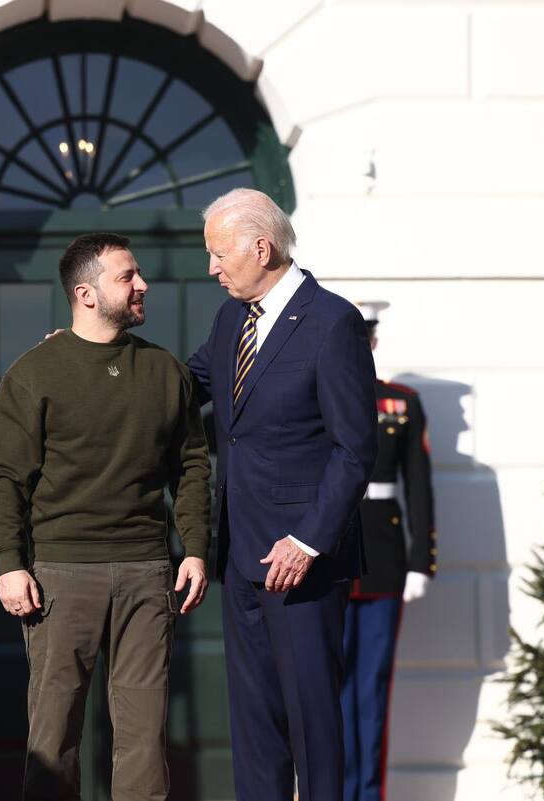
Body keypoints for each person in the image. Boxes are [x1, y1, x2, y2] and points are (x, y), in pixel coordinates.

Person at [0, 232, 211, 801]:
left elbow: (190, 468)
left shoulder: (165, 372)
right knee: (53, 735)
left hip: (147, 571)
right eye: (127, 277)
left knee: (142, 736)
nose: (143, 285)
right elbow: (6, 477)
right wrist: (10, 564)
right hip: (59, 575)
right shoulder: (34, 372)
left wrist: (197, 548)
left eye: (138, 274)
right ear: (86, 293)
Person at [185, 188, 377, 801]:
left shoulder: (333, 321)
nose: (212, 269)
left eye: (220, 254)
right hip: (242, 553)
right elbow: (182, 389)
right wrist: (95, 358)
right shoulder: (229, 319)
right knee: (255, 725)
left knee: (312, 722)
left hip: (302, 562)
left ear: (261, 247)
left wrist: (308, 541)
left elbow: (355, 451)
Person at [341, 300, 435, 801]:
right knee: (327, 688)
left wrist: (422, 560)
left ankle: (368, 793)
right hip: (326, 558)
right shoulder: (317, 397)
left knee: (372, 688)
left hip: (381, 560)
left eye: (365, 340)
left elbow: (418, 486)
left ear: (374, 343)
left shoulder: (400, 403)